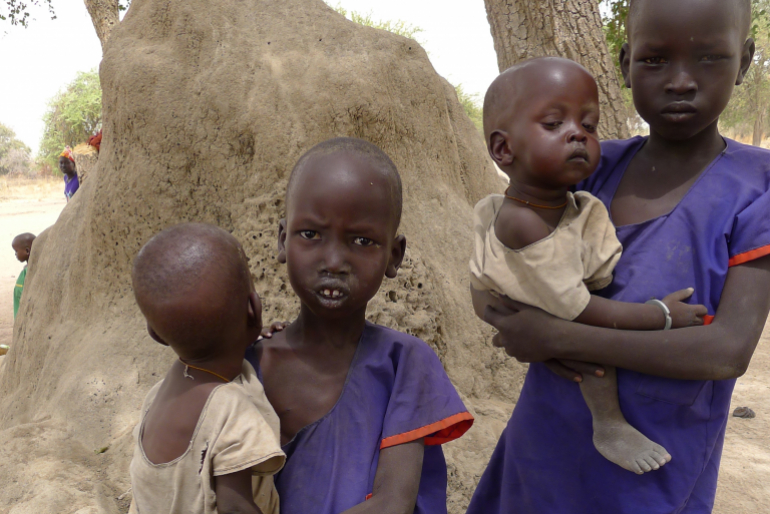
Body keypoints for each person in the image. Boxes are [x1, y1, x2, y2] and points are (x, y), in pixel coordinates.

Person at [466, 0, 770, 512]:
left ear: (744, 61)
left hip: (656, 468)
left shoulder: (757, 188)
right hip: (544, 446)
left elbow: (726, 350)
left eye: (709, 58)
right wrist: (508, 318)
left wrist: (556, 336)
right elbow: (501, 271)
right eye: (655, 59)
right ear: (626, 64)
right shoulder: (586, 166)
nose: (680, 81)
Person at [469, 57, 706, 475]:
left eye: (589, 125)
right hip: (533, 302)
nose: (578, 133)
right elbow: (577, 308)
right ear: (504, 149)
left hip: (538, 296)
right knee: (591, 349)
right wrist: (660, 316)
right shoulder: (524, 222)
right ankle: (609, 423)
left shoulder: (561, 201)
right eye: (553, 124)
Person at [249, 137, 474, 514]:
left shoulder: (404, 365)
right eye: (311, 234)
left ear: (394, 255)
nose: (334, 261)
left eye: (362, 240)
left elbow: (393, 503)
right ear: (283, 240)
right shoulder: (246, 364)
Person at [128, 223, 285, 514]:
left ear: (155, 334)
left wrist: (250, 335)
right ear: (253, 309)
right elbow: (236, 508)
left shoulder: (157, 397)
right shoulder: (231, 411)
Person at [12, 233, 35, 320]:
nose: (15, 254)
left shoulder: (30, 273)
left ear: (27, 251)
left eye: (16, 251)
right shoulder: (26, 271)